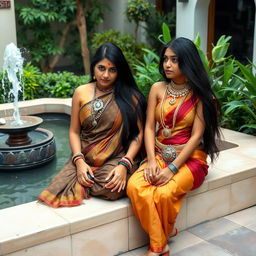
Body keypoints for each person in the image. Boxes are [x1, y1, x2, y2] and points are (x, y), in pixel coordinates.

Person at [127, 37, 221, 256]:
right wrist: (151, 160)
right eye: (165, 59)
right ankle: (163, 239)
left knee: (163, 193)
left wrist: (172, 169)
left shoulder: (201, 96)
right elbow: (149, 128)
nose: (167, 65)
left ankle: (157, 247)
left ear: (187, 62)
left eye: (174, 60)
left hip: (190, 160)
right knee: (135, 186)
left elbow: (197, 136)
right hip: (158, 153)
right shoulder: (157, 89)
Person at [38, 42, 147, 207]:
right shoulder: (81, 92)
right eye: (101, 68)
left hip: (115, 156)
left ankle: (92, 180)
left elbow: (139, 134)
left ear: (120, 72)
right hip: (84, 156)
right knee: (57, 186)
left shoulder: (130, 96)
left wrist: (125, 164)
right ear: (93, 69)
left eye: (112, 70)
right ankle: (84, 174)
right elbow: (74, 131)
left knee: (112, 188)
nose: (106, 75)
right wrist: (79, 161)